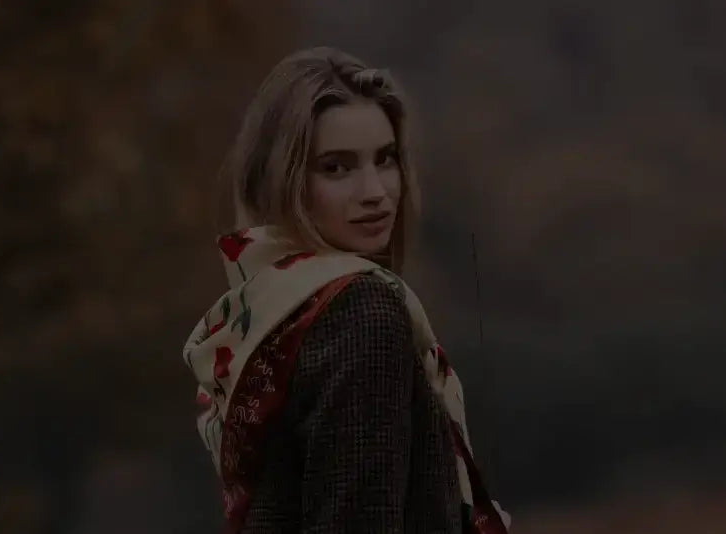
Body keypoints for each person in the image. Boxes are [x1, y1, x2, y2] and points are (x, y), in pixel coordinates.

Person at [182, 46, 510, 533]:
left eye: (386, 159)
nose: (375, 192)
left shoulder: (274, 315)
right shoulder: (360, 311)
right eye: (336, 167)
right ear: (283, 179)